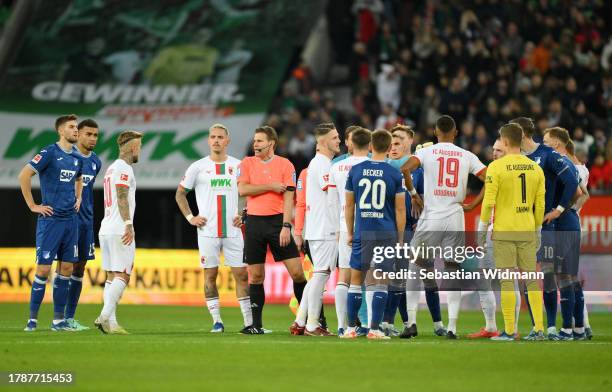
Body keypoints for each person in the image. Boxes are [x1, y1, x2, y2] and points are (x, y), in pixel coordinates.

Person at [400, 115, 487, 339]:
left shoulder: (427, 152)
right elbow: (490, 178)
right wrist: (473, 205)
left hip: (431, 216)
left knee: (415, 264)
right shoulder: (466, 155)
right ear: (455, 132)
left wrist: (413, 195)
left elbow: (405, 169)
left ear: (436, 132)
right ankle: (452, 327)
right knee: (452, 268)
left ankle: (410, 322)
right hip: (456, 217)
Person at [175, 123, 254, 334]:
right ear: (209, 141)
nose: (216, 140)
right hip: (207, 231)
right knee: (210, 276)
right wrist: (191, 217)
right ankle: (217, 321)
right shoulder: (197, 167)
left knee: (242, 275)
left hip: (233, 230)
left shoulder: (239, 166)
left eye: (220, 137)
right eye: (212, 137)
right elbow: (180, 193)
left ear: (227, 141)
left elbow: (247, 193)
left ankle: (249, 323)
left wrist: (244, 214)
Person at [510, 117, 579, 340]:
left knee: (550, 275)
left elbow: (570, 182)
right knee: (528, 277)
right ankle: (538, 328)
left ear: (521, 134)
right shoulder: (514, 158)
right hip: (522, 226)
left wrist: (558, 209)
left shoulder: (548, 154)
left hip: (543, 226)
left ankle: (555, 328)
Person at [479, 123, 546, 341]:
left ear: (505, 142)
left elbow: (488, 203)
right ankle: (538, 329)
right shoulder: (536, 168)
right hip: (527, 228)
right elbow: (540, 204)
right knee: (532, 280)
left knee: (507, 280)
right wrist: (537, 230)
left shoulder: (496, 167)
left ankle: (509, 331)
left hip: (504, 230)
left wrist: (481, 231)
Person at [238, 126, 307, 334]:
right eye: (255, 140)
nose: (255, 144)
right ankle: (256, 325)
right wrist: (270, 186)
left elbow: (289, 198)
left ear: (271, 143)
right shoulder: (247, 162)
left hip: (278, 223)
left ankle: (308, 321)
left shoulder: (285, 165)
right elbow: (243, 189)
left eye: (259, 141)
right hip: (254, 224)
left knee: (297, 273)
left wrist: (287, 226)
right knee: (256, 276)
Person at [19, 114, 84, 332]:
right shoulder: (49, 153)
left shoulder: (77, 157)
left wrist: (79, 198)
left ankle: (58, 321)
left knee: (66, 268)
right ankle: (32, 320)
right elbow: (24, 175)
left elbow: (78, 179)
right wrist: (32, 205)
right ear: (60, 131)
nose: (76, 130)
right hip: (51, 221)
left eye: (77, 127)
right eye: (72, 127)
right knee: (44, 269)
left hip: (70, 221)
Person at [342, 129, 406, 340]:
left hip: (362, 231)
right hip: (385, 233)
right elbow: (399, 210)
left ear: (370, 146)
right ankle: (375, 329)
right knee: (380, 281)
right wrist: (399, 238)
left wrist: (350, 233)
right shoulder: (395, 173)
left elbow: (349, 206)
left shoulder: (356, 170)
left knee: (355, 281)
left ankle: (350, 329)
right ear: (389, 148)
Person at [387, 126, 446, 338]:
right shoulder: (388, 167)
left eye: (399, 140)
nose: (395, 146)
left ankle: (438, 324)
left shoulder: (421, 167)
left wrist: (421, 220)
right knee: (399, 278)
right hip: (394, 232)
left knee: (428, 277)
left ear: (410, 140)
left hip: (417, 230)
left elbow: (427, 199)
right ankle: (404, 322)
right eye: (392, 142)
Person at [290, 123, 341, 336]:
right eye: (335, 137)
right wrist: (339, 225)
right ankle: (312, 324)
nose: (338, 141)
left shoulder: (319, 163)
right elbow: (331, 197)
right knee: (321, 274)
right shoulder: (322, 164)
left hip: (317, 227)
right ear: (322, 142)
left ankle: (301, 321)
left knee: (318, 275)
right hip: (324, 228)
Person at [96, 130, 143, 334]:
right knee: (123, 275)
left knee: (111, 276)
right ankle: (104, 316)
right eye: (139, 146)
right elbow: (121, 196)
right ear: (133, 147)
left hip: (106, 227)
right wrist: (128, 223)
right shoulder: (124, 168)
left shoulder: (111, 168)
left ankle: (111, 324)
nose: (140, 150)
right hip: (118, 228)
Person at [542, 127, 585, 340]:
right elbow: (581, 193)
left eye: (546, 140)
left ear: (556, 144)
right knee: (569, 277)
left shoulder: (559, 162)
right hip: (571, 223)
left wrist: (558, 210)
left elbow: (577, 192)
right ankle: (578, 328)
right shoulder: (565, 163)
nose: (543, 144)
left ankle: (567, 328)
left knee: (563, 277)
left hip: (564, 225)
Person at [327, 127, 371, 336]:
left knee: (344, 276)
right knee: (372, 276)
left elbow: (332, 203)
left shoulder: (337, 166)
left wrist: (336, 229)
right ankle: (372, 324)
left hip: (345, 226)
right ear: (369, 144)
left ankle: (343, 326)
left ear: (351, 143)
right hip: (373, 226)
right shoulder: (377, 165)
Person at [66, 119, 102, 330]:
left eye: (95, 135)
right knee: (65, 267)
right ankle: (58, 318)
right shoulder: (66, 157)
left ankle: (70, 318)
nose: (92, 139)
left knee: (80, 268)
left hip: (86, 222)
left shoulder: (96, 162)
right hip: (67, 220)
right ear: (78, 134)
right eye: (88, 134)